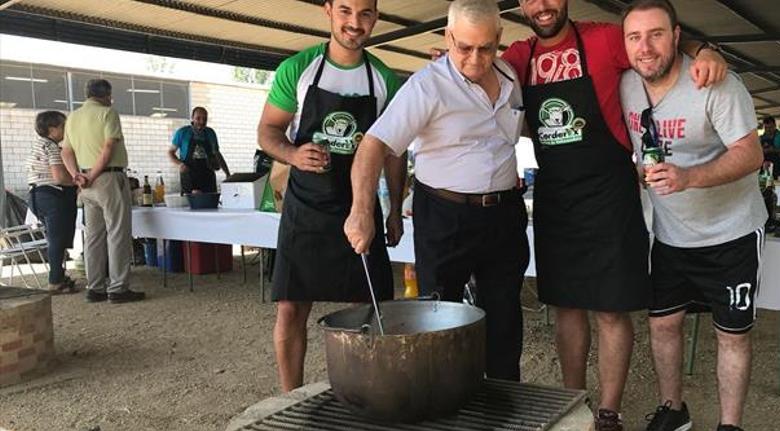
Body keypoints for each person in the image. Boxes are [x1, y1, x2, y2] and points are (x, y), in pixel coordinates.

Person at [501, 0, 728, 431]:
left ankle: (607, 413)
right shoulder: (519, 56)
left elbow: (662, 45)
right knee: (566, 305)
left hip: (609, 191)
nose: (542, 6)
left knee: (610, 310)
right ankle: (571, 404)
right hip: (556, 196)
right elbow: (481, 73)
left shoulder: (605, 38)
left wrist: (708, 50)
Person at [619, 0, 766, 431]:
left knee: (732, 335)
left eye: (656, 34)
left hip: (731, 232)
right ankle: (673, 408)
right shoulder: (625, 86)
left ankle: (730, 429)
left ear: (677, 35)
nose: (645, 46)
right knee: (662, 325)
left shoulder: (714, 82)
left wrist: (690, 178)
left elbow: (750, 154)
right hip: (669, 236)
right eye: (635, 36)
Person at [345, 0, 529, 381]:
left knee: (505, 314)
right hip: (445, 216)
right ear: (447, 37)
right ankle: (443, 401)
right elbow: (374, 144)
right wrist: (361, 209)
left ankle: (505, 403)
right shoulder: (427, 85)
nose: (475, 59)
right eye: (463, 47)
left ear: (499, 39)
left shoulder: (510, 76)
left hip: (503, 214)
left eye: (485, 48)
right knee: (440, 317)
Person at [257, 0, 405, 392]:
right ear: (328, 11)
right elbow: (267, 132)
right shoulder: (298, 69)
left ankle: (364, 395)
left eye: (365, 13)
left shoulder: (383, 79)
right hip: (305, 207)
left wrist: (393, 213)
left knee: (370, 311)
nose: (354, 23)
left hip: (360, 207)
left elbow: (394, 152)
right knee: (290, 307)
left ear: (375, 17)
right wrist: (291, 153)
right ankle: (290, 398)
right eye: (345, 11)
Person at [61, 79, 145, 304]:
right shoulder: (108, 113)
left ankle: (95, 287)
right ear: (107, 95)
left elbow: (66, 151)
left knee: (94, 236)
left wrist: (77, 175)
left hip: (85, 183)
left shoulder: (73, 117)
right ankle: (118, 288)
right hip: (107, 177)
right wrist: (94, 174)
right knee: (117, 232)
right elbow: (109, 147)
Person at [26, 110, 78, 293]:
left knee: (53, 237)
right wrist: (77, 181)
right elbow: (58, 177)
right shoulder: (52, 147)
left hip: (36, 195)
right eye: (63, 126)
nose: (66, 131)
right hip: (52, 195)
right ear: (51, 129)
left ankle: (59, 275)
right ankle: (55, 280)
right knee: (57, 239)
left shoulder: (38, 145)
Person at [168, 107, 230, 193]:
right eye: (198, 118)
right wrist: (180, 164)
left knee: (210, 202)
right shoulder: (182, 132)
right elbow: (170, 152)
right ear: (192, 118)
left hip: (208, 175)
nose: (202, 122)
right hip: (189, 174)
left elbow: (217, 154)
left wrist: (227, 173)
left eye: (204, 119)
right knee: (192, 202)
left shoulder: (210, 133)